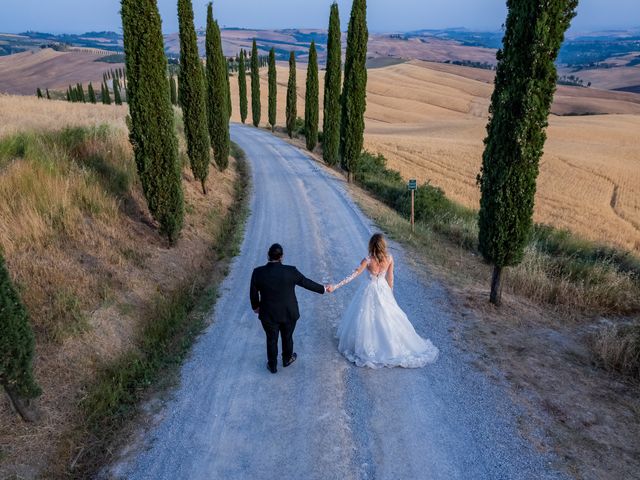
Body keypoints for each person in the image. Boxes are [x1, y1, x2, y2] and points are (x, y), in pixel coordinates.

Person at [330, 233, 439, 368]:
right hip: (383, 289)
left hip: (369, 289)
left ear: (371, 245)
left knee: (365, 317)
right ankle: (389, 346)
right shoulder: (389, 258)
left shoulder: (368, 260)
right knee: (387, 317)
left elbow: (353, 275)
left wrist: (335, 286)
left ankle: (369, 346)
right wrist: (390, 295)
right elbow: (390, 278)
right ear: (383, 245)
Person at [250, 243, 329, 374]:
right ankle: (287, 359)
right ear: (281, 257)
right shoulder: (291, 271)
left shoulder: (258, 272)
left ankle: (272, 365)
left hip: (268, 314)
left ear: (268, 255)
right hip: (289, 312)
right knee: (287, 336)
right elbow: (306, 282)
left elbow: (253, 292)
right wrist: (324, 289)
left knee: (271, 339)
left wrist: (256, 306)